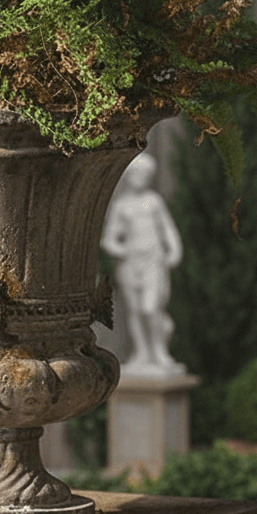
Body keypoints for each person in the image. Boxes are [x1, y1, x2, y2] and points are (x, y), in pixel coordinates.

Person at [101, 153, 185, 375]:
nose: (142, 177)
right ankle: (142, 353)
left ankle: (159, 351)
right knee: (136, 311)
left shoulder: (154, 202)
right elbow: (109, 239)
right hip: (130, 264)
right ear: (129, 176)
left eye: (146, 174)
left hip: (153, 261)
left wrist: (175, 250)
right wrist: (123, 250)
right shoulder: (122, 206)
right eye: (138, 173)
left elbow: (167, 229)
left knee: (151, 308)